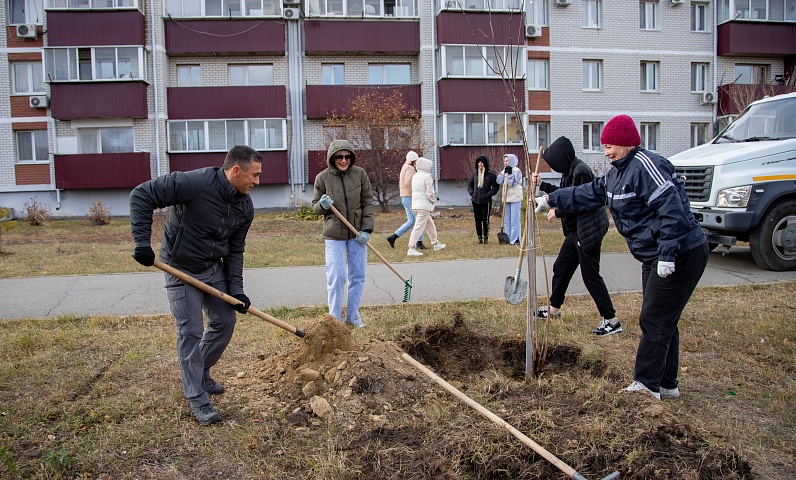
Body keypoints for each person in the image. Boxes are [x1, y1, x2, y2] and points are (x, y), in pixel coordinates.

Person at [534, 115, 708, 400]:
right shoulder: (617, 173)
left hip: (680, 252)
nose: (606, 151)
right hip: (656, 254)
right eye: (604, 145)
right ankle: (666, 383)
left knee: (654, 317)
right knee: (664, 317)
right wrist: (552, 199)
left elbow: (672, 209)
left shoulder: (645, 166)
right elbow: (589, 192)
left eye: (611, 144)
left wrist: (667, 254)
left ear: (628, 142)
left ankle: (646, 385)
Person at [129, 145, 262, 426]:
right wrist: (142, 242)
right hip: (179, 267)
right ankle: (197, 397)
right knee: (190, 330)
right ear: (236, 171)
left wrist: (235, 289)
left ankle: (199, 372)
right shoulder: (195, 183)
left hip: (213, 268)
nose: (257, 182)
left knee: (224, 321)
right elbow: (142, 194)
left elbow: (235, 251)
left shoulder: (245, 206)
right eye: (254, 175)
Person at [532, 136, 619, 335]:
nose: (554, 167)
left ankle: (611, 320)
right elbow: (565, 193)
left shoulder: (580, 172)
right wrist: (544, 185)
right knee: (561, 267)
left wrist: (558, 211)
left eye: (554, 163)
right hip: (576, 231)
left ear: (562, 158)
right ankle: (554, 309)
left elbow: (581, 201)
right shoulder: (570, 170)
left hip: (588, 231)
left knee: (591, 276)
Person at [312, 140, 374, 328]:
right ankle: (335, 320)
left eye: (347, 156)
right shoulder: (322, 178)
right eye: (339, 156)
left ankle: (353, 317)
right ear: (332, 157)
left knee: (358, 275)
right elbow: (315, 208)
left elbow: (367, 203)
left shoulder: (360, 174)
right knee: (337, 276)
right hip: (334, 234)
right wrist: (321, 205)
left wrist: (366, 229)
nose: (344, 160)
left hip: (357, 233)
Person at [407, 156, 446, 256]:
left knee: (430, 226)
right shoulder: (427, 176)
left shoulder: (415, 176)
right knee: (418, 227)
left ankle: (436, 243)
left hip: (416, 205)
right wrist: (433, 200)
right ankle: (411, 247)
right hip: (424, 206)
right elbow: (430, 192)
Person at [386, 151, 425, 250]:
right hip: (410, 197)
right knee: (419, 220)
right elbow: (408, 182)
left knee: (412, 221)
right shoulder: (410, 168)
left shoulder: (405, 166)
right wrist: (415, 192)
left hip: (404, 197)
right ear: (413, 161)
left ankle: (393, 237)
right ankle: (419, 242)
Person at [467, 155, 500, 244]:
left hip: (486, 201)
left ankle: (486, 237)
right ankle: (479, 237)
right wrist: (472, 193)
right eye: (479, 162)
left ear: (485, 164)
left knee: (485, 220)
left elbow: (495, 187)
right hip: (475, 200)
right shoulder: (475, 174)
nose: (480, 164)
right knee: (477, 220)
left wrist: (487, 195)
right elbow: (469, 185)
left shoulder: (490, 175)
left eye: (482, 162)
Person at [496, 153, 523, 245]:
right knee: (507, 220)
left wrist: (509, 175)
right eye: (504, 161)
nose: (505, 163)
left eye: (507, 161)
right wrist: (504, 173)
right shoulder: (505, 170)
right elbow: (498, 181)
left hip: (515, 198)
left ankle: (515, 239)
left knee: (514, 220)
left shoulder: (517, 171)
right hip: (506, 198)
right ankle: (507, 237)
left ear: (512, 161)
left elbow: (512, 183)